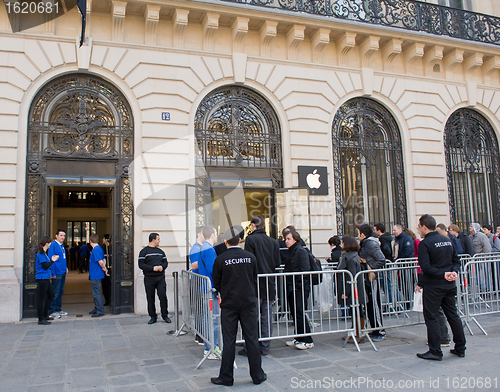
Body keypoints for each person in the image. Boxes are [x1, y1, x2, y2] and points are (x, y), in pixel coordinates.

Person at [211, 226, 267, 386]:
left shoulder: (220, 259)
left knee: (228, 340)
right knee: (252, 339)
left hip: (229, 304)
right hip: (248, 303)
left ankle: (226, 377)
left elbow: (217, 283)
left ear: (225, 241)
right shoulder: (250, 257)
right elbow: (254, 278)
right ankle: (257, 375)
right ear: (240, 240)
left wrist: (226, 292)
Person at [415, 214, 466, 360]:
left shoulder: (425, 244)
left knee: (432, 317)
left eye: (419, 227)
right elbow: (456, 260)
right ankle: (460, 347)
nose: (418, 230)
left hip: (434, 286)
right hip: (449, 284)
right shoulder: (446, 240)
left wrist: (444, 274)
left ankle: (435, 350)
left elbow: (425, 267)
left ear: (424, 227)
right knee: (453, 315)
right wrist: (453, 272)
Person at [239, 215, 280, 357]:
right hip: (269, 283)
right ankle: (264, 346)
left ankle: (250, 345)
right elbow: (277, 263)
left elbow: (248, 261)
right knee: (266, 316)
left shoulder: (250, 240)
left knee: (252, 316)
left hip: (254, 284)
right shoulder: (273, 242)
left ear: (253, 226)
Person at [283, 229, 314, 350]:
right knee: (295, 313)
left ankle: (307, 339)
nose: (286, 241)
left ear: (295, 239)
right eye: (285, 239)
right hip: (293, 286)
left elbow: (305, 270)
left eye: (288, 239)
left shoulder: (300, 251)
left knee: (300, 312)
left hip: (299, 287)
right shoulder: (292, 251)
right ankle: (299, 337)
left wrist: (298, 285)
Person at [357, 224, 387, 341]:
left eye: (358, 233)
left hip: (372, 279)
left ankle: (380, 330)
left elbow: (381, 259)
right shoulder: (365, 244)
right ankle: (374, 329)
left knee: (374, 304)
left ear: (363, 234)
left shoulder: (370, 244)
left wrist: (370, 267)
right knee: (370, 304)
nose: (357, 235)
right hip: (367, 278)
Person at [337, 235, 365, 343]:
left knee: (357, 310)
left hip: (354, 289)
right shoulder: (348, 256)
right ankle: (355, 331)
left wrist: (346, 292)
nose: (341, 244)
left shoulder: (351, 258)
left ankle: (359, 333)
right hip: (352, 288)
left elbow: (352, 276)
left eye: (343, 242)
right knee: (353, 310)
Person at [138, 233, 171, 324]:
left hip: (160, 278)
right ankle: (153, 316)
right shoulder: (144, 252)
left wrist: (162, 267)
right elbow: (141, 264)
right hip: (149, 278)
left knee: (163, 296)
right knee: (150, 298)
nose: (159, 241)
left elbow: (165, 263)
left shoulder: (161, 252)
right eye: (158, 239)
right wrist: (152, 268)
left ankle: (165, 315)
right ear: (153, 240)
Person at [198, 225, 221, 359]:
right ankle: (211, 348)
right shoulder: (209, 249)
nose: (217, 235)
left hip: (206, 287)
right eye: (216, 233)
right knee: (212, 319)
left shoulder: (204, 248)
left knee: (209, 318)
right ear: (212, 235)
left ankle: (210, 347)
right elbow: (214, 269)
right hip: (210, 288)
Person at [36, 236, 58, 325]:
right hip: (42, 278)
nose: (50, 245)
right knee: (42, 298)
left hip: (45, 278)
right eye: (49, 243)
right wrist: (53, 260)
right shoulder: (41, 254)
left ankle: (45, 314)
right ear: (46, 244)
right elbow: (45, 266)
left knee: (51, 295)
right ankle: (41, 318)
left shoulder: (44, 253)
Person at [189, 226, 205, 346]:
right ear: (200, 234)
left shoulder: (200, 248)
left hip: (199, 280)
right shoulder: (196, 248)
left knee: (201, 309)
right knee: (199, 309)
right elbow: (194, 265)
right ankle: (199, 335)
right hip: (197, 281)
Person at [48, 229, 68, 319]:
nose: (63, 237)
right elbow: (51, 259)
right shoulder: (53, 245)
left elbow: (63, 258)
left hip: (63, 271)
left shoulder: (61, 245)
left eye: (64, 236)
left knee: (60, 291)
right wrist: (53, 272)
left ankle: (58, 308)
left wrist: (66, 267)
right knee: (55, 292)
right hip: (57, 272)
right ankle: (52, 310)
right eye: (61, 235)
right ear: (56, 236)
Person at [88, 233, 109, 318]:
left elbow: (100, 261)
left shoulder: (95, 249)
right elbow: (104, 260)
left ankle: (100, 310)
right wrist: (105, 269)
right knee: (96, 292)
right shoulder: (99, 248)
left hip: (95, 274)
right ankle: (97, 308)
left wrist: (104, 269)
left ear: (90, 241)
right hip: (97, 273)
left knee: (96, 293)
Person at [101, 234, 112, 306]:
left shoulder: (111, 248)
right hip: (104, 270)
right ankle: (107, 300)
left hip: (110, 269)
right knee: (104, 285)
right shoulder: (103, 247)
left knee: (109, 285)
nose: (102, 240)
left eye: (103, 238)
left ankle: (110, 299)